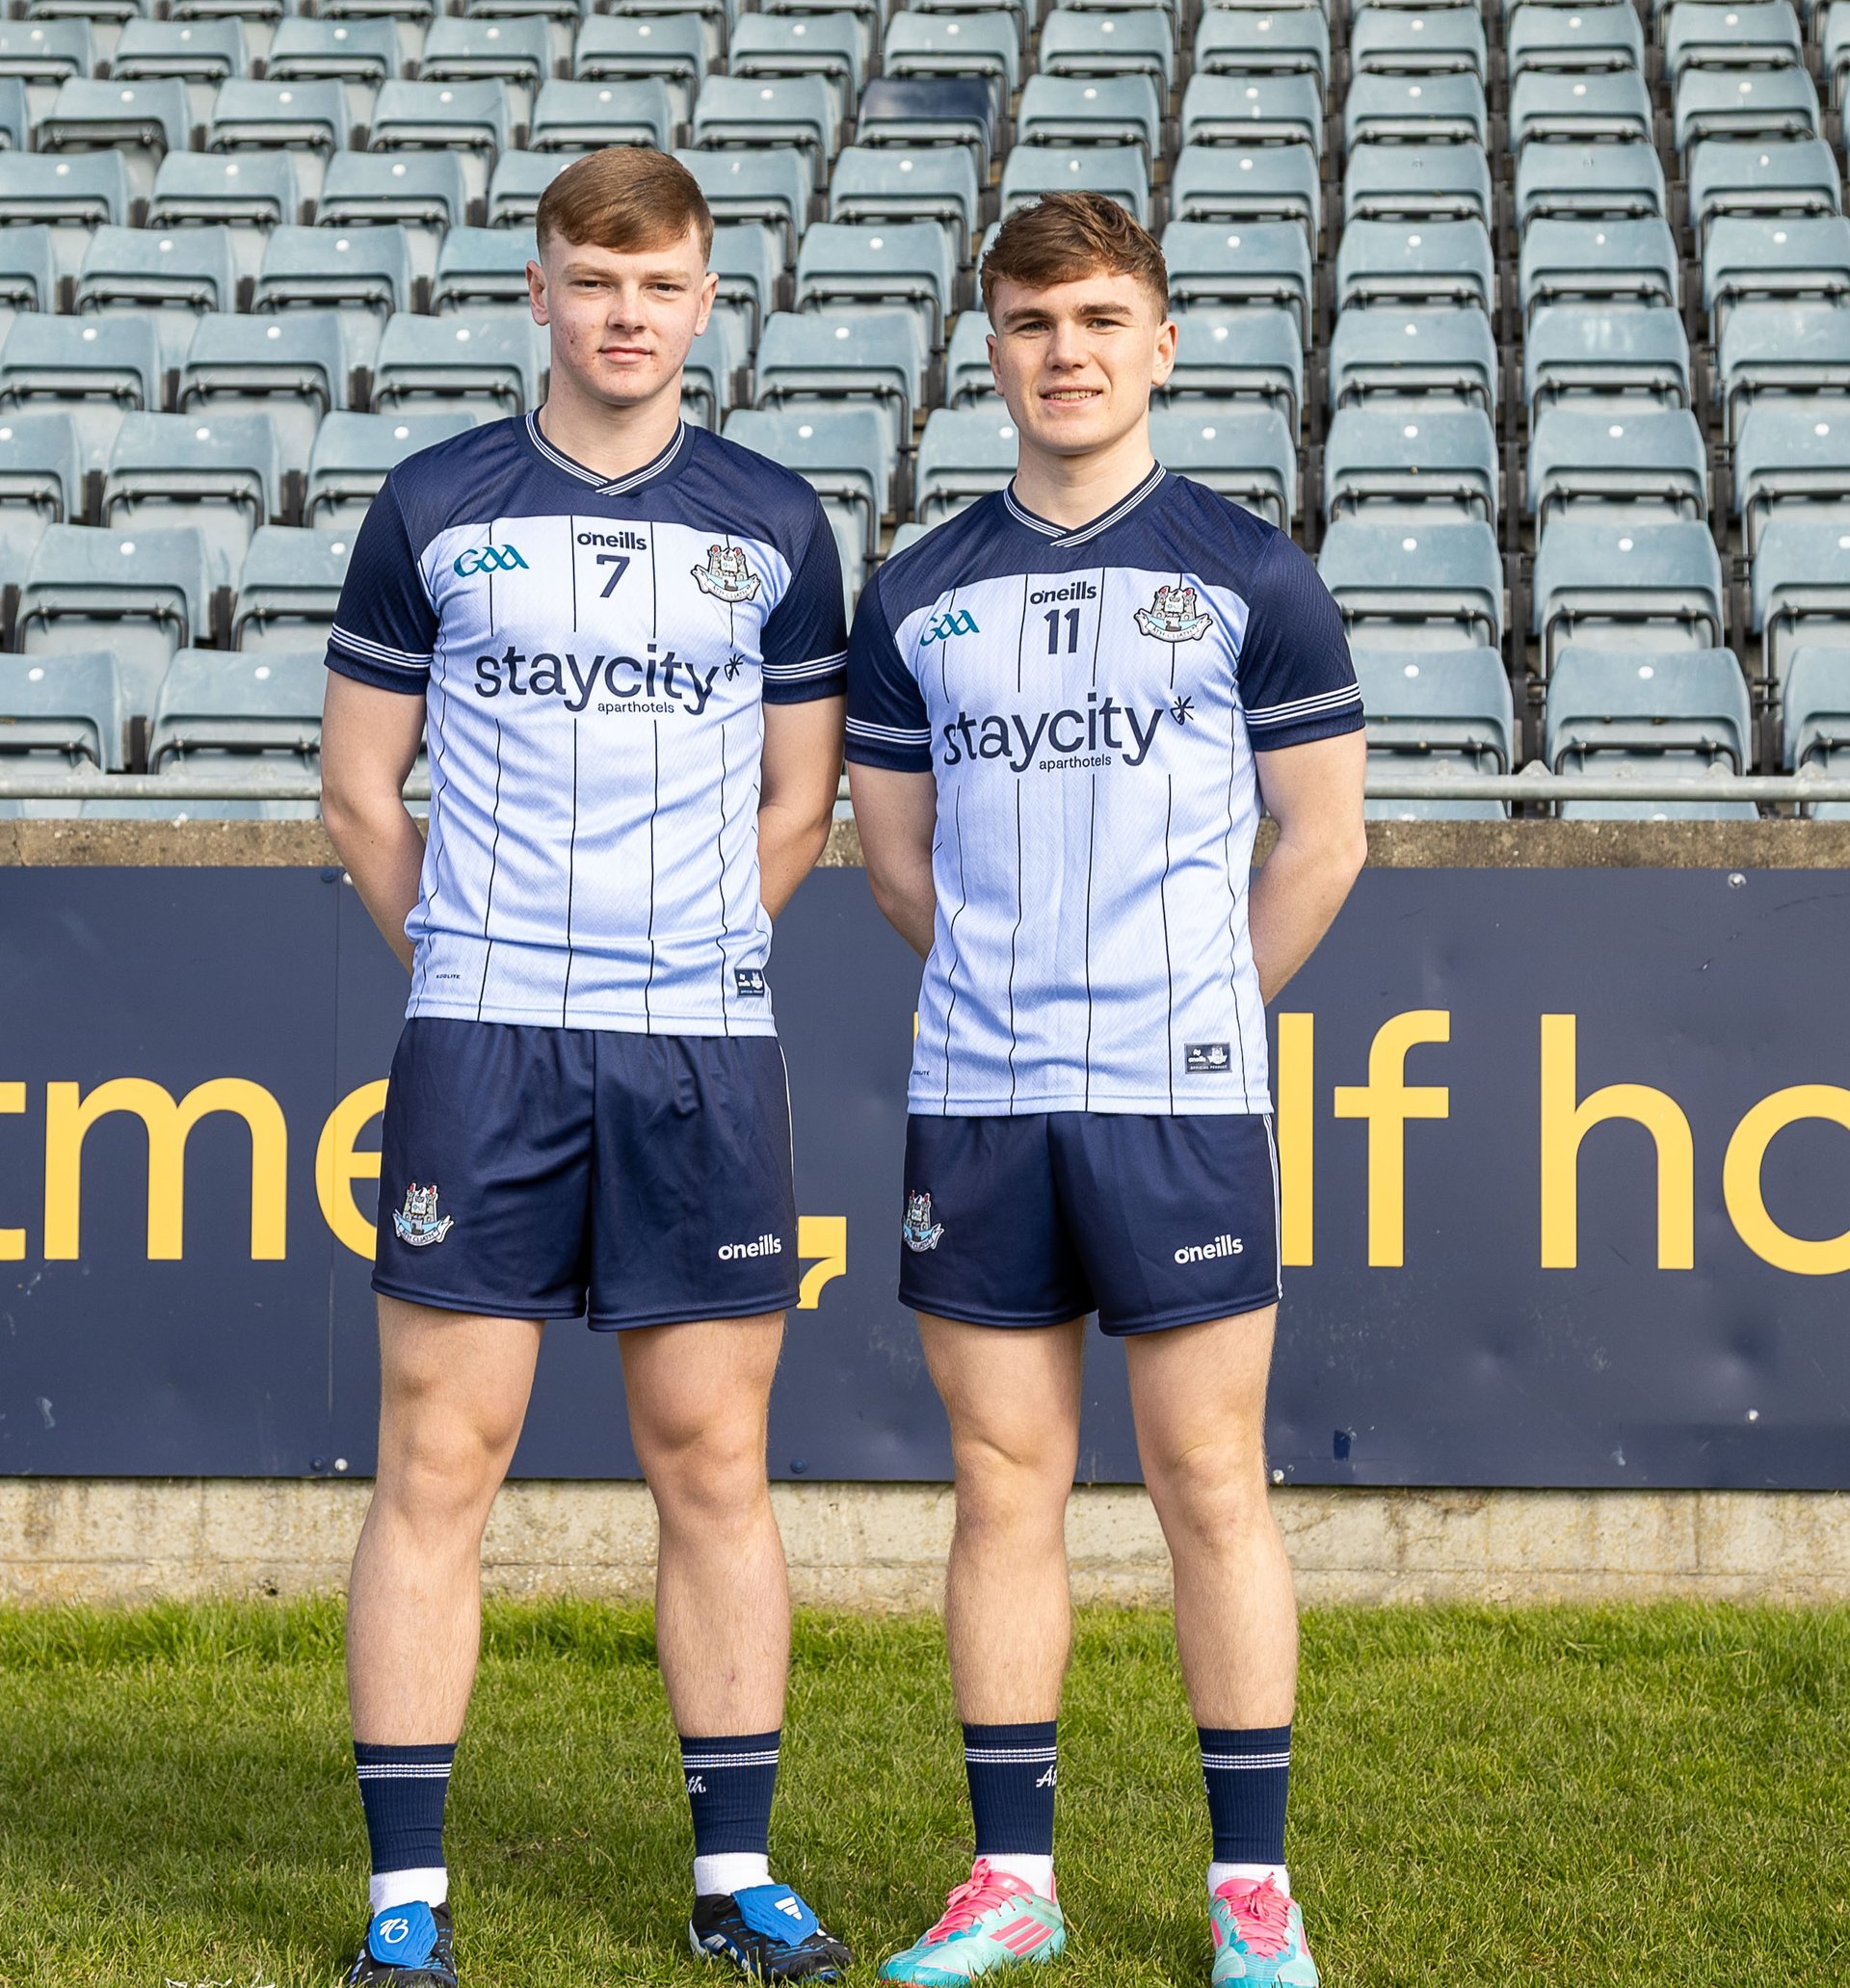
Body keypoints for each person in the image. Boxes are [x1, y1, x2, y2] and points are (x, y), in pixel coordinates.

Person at [319, 146, 852, 1988]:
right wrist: (470, 958)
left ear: (706, 303)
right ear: (540, 293)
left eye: (663, 286)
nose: (628, 317)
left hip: (700, 1043)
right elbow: (356, 788)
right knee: (438, 1457)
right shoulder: (434, 503)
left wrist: (682, 952)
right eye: (595, 283)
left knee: (715, 1457)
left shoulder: (779, 522)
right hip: (484, 1041)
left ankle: (734, 1875)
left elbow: (802, 799)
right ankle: (407, 1904)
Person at [845, 192, 1367, 1988]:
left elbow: (1324, 837)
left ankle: (1252, 1898)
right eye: (1031, 322)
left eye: (1099, 319)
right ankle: (1013, 1880)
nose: (1065, 353)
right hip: (982, 1096)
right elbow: (894, 860)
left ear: (1161, 342)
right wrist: (1011, 990)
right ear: (989, 351)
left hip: (1180, 1095)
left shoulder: (1250, 571)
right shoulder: (918, 589)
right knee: (1004, 1486)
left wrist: (1201, 1000)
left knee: (1211, 1479)